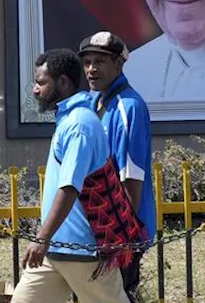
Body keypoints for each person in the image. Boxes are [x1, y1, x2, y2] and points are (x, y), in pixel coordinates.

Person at [13, 48, 141, 303]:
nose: (35, 90)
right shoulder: (69, 117)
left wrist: (41, 238)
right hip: (54, 252)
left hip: (84, 251)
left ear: (62, 82)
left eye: (41, 83)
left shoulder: (79, 124)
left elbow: (70, 187)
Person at [79, 31, 155, 303]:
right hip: (97, 228)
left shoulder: (129, 107)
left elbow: (131, 176)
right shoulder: (94, 101)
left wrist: (122, 238)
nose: (91, 69)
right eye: (87, 62)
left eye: (100, 61)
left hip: (120, 232)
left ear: (119, 64)